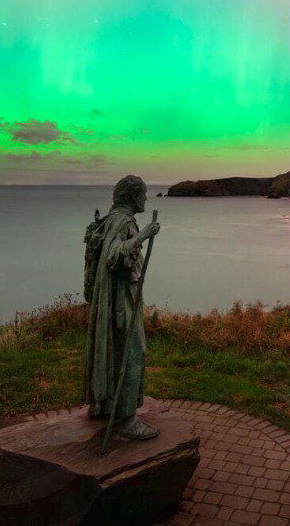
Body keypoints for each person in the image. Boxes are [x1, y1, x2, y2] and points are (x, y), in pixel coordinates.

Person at [82, 174, 161, 440]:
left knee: (115, 352)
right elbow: (114, 257)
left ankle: (104, 407)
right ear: (132, 195)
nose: (146, 198)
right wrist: (143, 236)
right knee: (134, 352)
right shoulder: (124, 222)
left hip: (115, 297)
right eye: (144, 194)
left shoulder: (110, 219)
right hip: (122, 300)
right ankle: (128, 420)